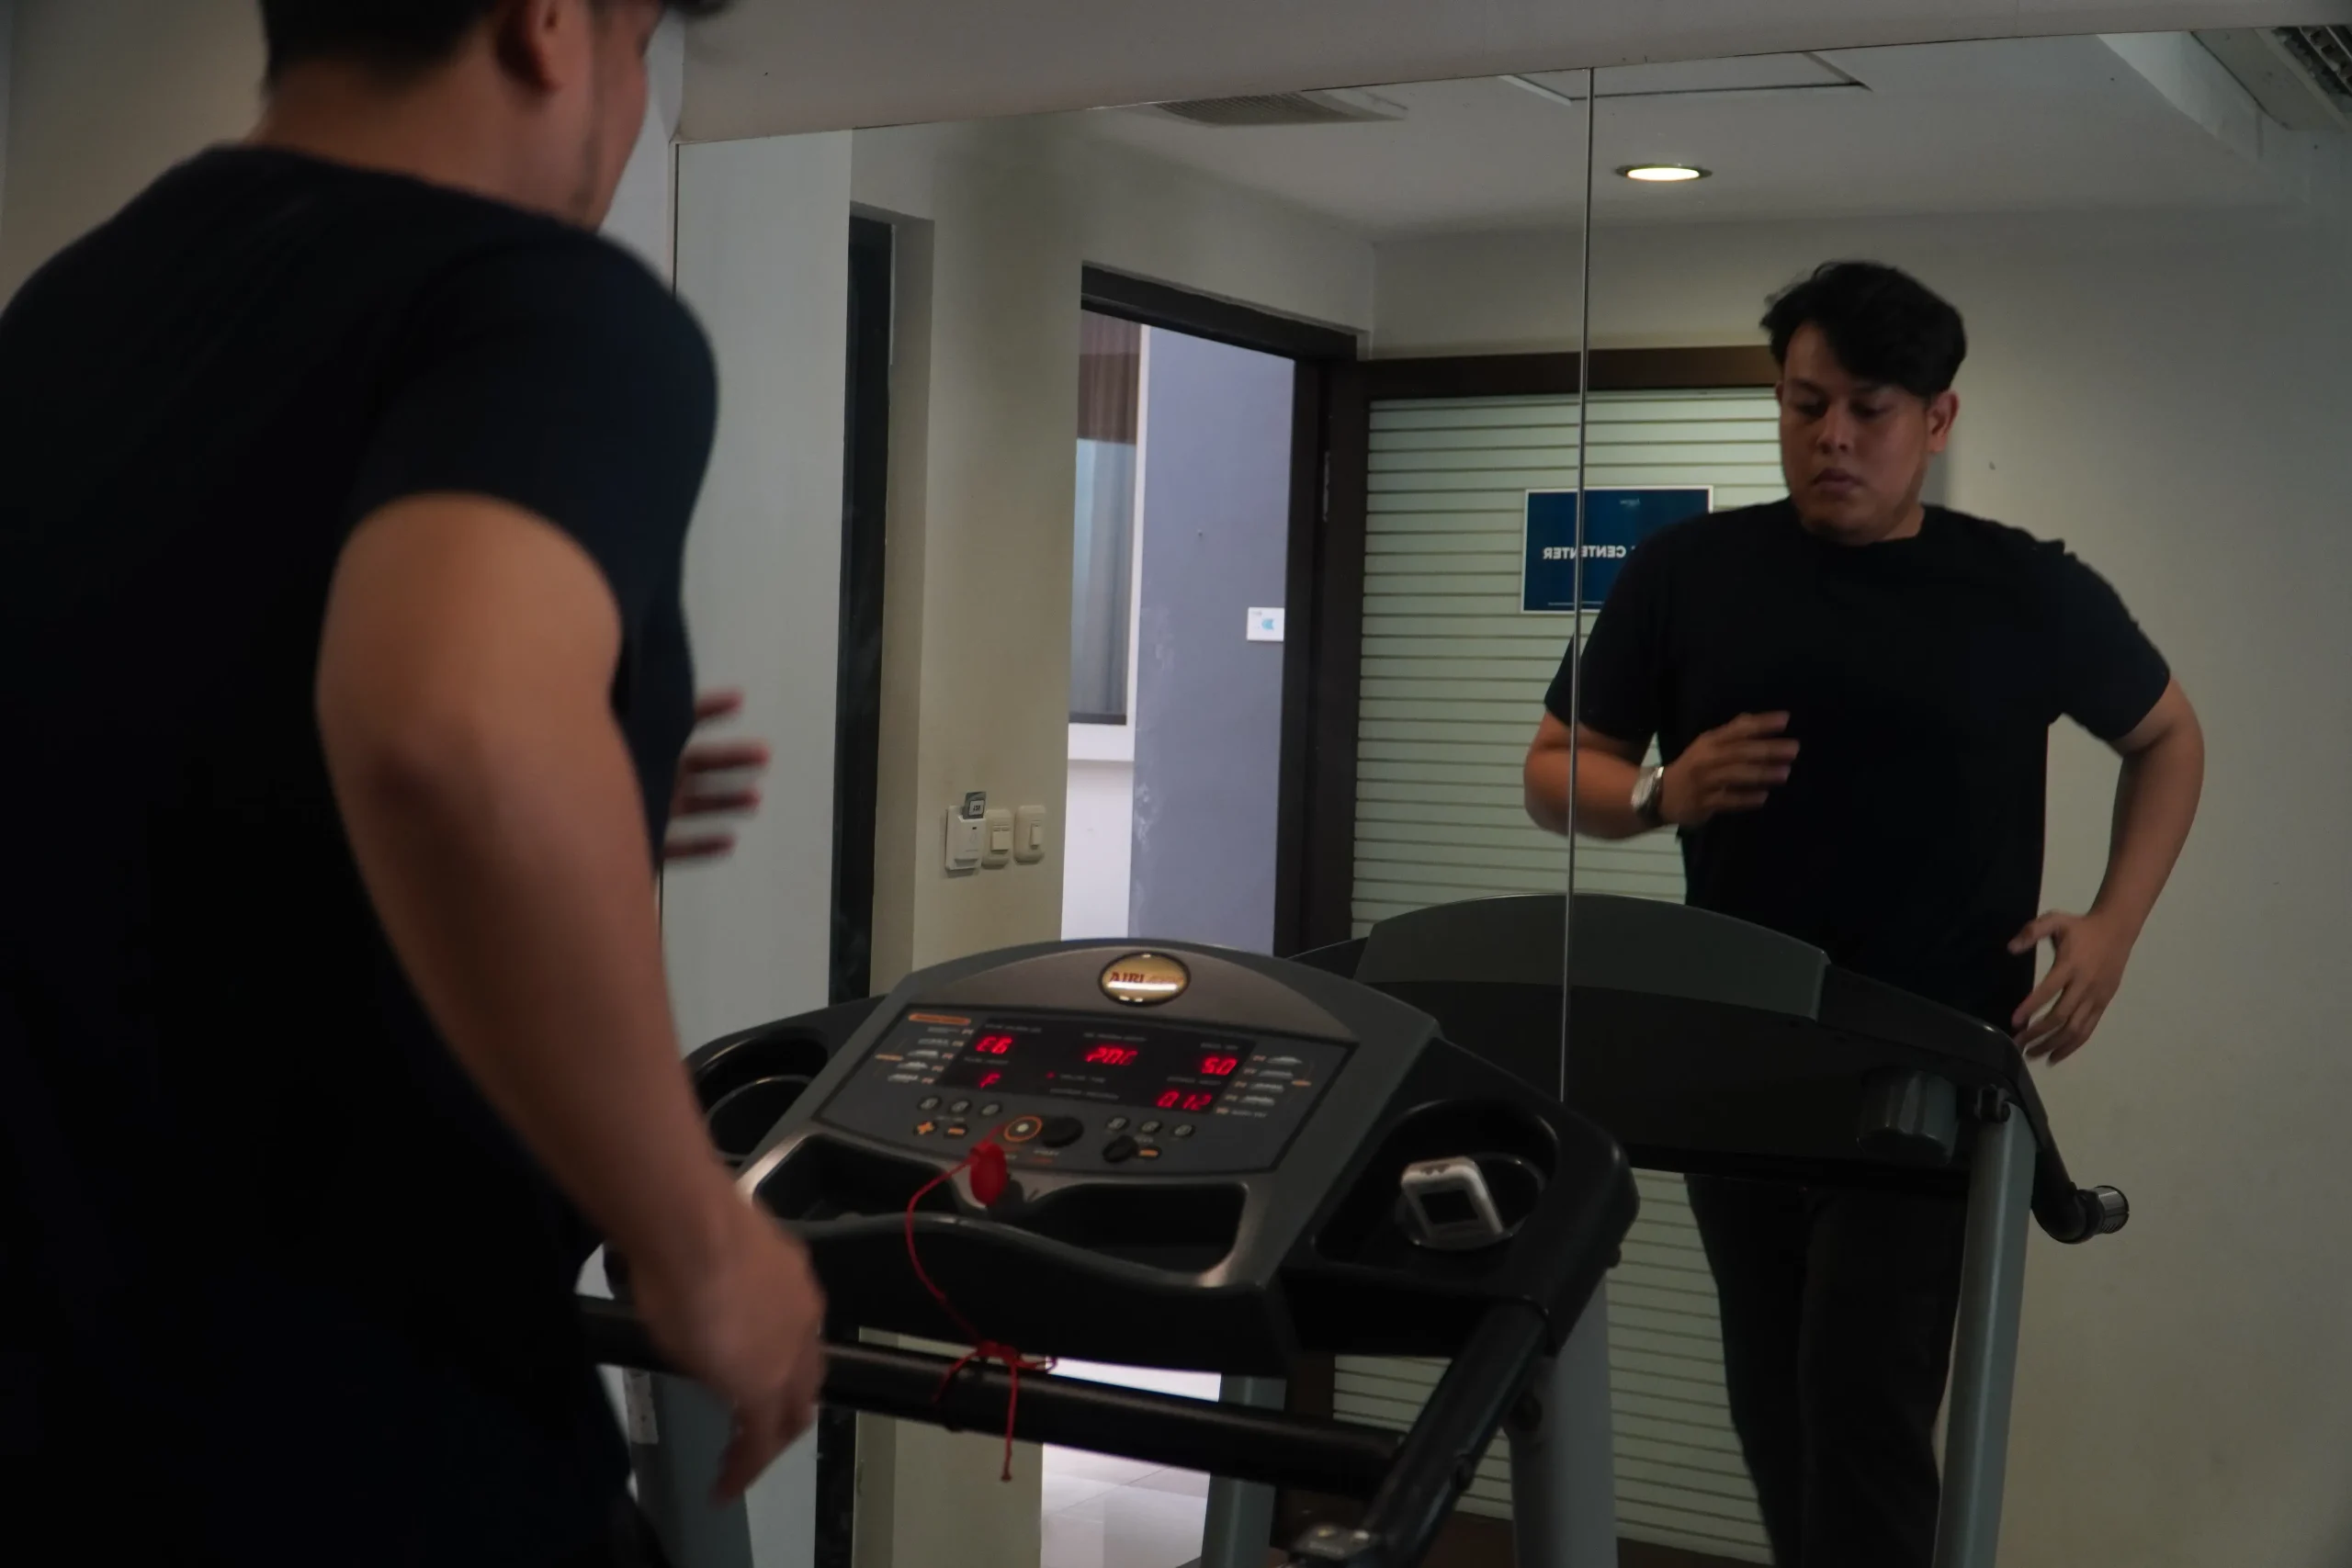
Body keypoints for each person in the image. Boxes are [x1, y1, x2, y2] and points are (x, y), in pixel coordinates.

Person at [0, 2, 827, 1563]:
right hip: (362, 1450)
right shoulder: (541, 303)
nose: (634, 106)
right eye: (641, 46)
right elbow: (451, 734)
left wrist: (588, 789)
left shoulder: (68, 312)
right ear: (551, 23)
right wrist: (697, 1237)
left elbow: (126, 747)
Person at [1522, 262, 2204, 1567]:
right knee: (1777, 1414)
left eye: (1869, 410)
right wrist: (1662, 793)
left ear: (1936, 420)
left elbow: (2168, 736)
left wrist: (2113, 927)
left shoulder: (2023, 589)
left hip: (1925, 1066)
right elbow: (1556, 768)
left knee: (1862, 1411)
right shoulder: (1686, 574)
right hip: (1740, 1063)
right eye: (1805, 404)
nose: (1832, 436)